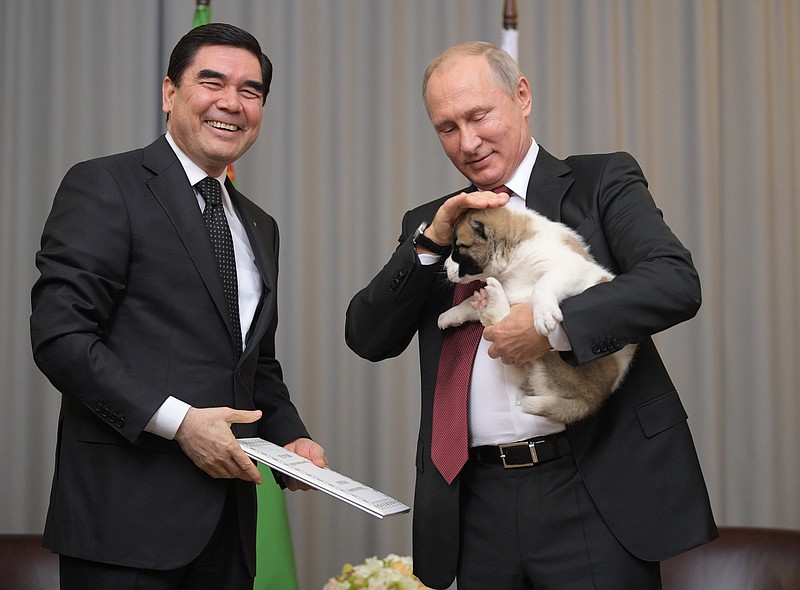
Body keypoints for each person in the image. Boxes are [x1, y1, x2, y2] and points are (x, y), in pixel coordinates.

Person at [345, 41, 717, 590]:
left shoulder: (600, 182)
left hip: (593, 488)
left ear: (521, 96)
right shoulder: (433, 223)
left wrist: (553, 327)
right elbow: (367, 337)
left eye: (479, 116)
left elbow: (674, 282)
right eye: (447, 127)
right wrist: (428, 243)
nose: (468, 142)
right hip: (475, 502)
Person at [30, 23, 326, 590]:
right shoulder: (104, 184)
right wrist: (180, 424)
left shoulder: (260, 225)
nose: (231, 103)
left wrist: (292, 437)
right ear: (170, 92)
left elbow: (253, 363)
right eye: (211, 81)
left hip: (228, 531)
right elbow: (61, 338)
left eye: (251, 90)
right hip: (123, 525)